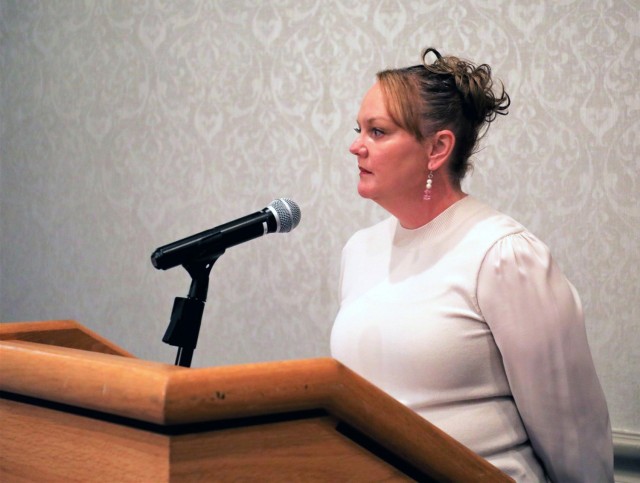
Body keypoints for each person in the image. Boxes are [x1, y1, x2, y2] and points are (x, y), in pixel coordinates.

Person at [330, 47, 613, 482]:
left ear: (438, 148)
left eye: (378, 132)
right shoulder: (359, 250)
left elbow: (573, 436)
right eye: (358, 129)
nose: (355, 146)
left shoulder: (503, 254)